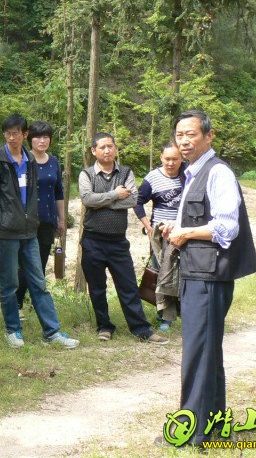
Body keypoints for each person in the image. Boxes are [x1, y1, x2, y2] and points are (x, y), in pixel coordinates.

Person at [162, 110, 256, 447]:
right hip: (197, 271)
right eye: (179, 135)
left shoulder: (217, 173)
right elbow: (199, 219)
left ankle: (191, 434)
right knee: (207, 352)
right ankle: (215, 427)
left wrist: (186, 233)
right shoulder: (193, 172)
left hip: (208, 275)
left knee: (198, 353)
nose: (184, 141)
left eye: (191, 134)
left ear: (209, 135)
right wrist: (176, 228)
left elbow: (227, 227)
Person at [0, 114, 79, 350]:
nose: (11, 138)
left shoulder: (31, 161)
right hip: (6, 232)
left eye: (16, 133)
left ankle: (52, 332)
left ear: (24, 134)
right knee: (9, 284)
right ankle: (13, 330)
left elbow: (37, 194)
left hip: (30, 231)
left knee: (38, 282)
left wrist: (35, 219)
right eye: (7, 133)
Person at [78, 132, 167, 344]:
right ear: (94, 151)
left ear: (115, 148)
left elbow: (133, 200)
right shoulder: (86, 174)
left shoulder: (126, 172)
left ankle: (141, 329)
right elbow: (87, 199)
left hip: (118, 242)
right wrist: (115, 195)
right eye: (102, 147)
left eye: (110, 146)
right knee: (97, 288)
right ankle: (104, 326)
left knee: (128, 286)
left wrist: (101, 202)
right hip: (92, 240)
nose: (107, 150)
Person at [15, 120, 65, 313]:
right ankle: (17, 306)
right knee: (23, 266)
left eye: (46, 137)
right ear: (30, 138)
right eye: (38, 137)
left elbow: (58, 192)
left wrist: (61, 219)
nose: (42, 141)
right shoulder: (23, 161)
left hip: (47, 222)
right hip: (26, 222)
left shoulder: (54, 162)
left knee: (40, 266)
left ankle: (37, 305)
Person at [134, 142, 185, 330]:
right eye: (167, 159)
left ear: (181, 159)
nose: (171, 163)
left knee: (185, 273)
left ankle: (186, 312)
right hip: (161, 235)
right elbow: (137, 202)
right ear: (161, 158)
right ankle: (165, 317)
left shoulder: (187, 175)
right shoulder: (153, 178)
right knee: (163, 274)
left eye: (175, 159)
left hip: (185, 232)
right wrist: (148, 227)